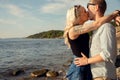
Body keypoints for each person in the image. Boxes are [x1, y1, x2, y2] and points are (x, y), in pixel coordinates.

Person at [63, 4, 120, 80]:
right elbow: (97, 23)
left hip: (86, 64)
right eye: (84, 11)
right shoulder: (73, 30)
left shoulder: (83, 29)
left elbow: (99, 23)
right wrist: (114, 14)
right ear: (78, 17)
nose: (87, 12)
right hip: (79, 65)